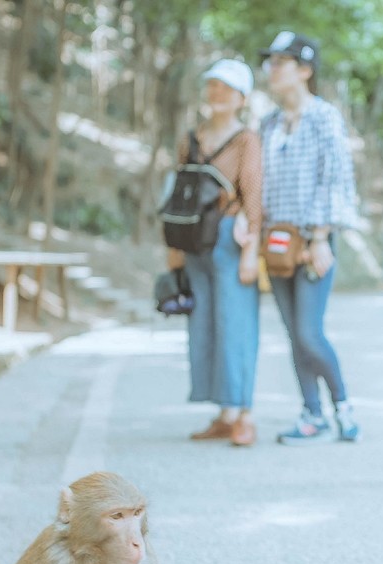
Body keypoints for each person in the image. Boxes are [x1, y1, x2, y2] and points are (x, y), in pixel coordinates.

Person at [258, 31, 361, 445]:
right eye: (270, 62)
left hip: (311, 240)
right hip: (276, 243)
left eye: (281, 62)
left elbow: (335, 178)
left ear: (304, 70)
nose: (272, 69)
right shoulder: (267, 123)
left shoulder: (324, 117)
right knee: (291, 332)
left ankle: (342, 405)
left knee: (308, 332)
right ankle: (311, 413)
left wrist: (320, 237)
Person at [173, 60, 263, 447]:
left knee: (237, 325)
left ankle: (244, 413)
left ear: (241, 97)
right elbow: (178, 193)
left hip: (230, 236)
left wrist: (251, 251)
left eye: (226, 88)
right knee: (204, 324)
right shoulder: (192, 137)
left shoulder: (246, 140)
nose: (217, 93)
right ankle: (223, 414)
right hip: (193, 241)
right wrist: (173, 250)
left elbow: (254, 196)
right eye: (212, 85)